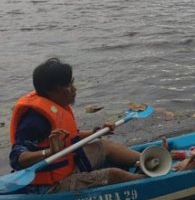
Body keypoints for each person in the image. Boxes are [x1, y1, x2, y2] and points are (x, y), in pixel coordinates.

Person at [9, 58, 145, 192]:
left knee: (103, 145)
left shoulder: (55, 107)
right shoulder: (35, 120)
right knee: (114, 175)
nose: (74, 89)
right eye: (67, 86)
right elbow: (17, 158)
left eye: (72, 83)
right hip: (51, 186)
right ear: (51, 91)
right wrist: (49, 152)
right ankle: (150, 179)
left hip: (67, 167)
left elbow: (71, 136)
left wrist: (96, 132)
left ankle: (149, 159)